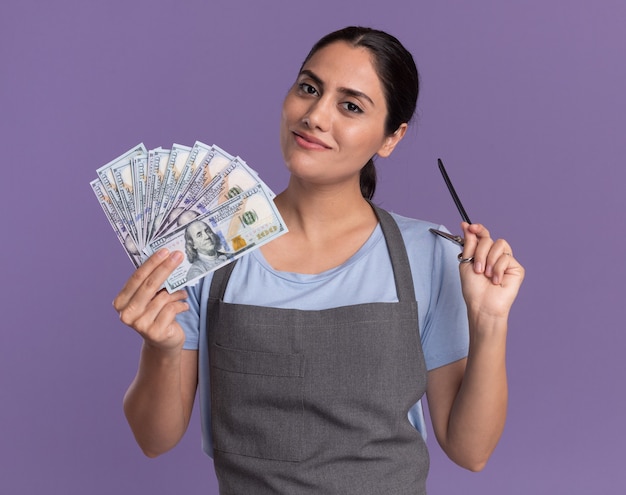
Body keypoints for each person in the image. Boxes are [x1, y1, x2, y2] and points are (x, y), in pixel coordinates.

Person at [114, 26, 525, 495]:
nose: (314, 115)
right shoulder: (208, 249)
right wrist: (162, 350)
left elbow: (470, 451)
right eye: (309, 88)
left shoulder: (429, 255)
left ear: (391, 138)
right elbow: (153, 439)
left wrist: (489, 321)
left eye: (350, 106)